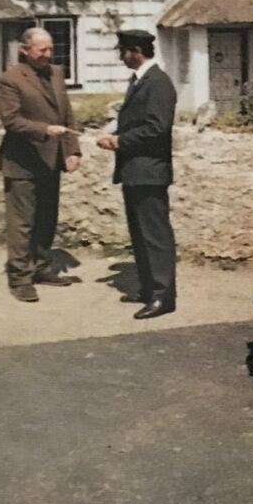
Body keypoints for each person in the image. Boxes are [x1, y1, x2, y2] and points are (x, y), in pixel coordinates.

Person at [0, 26, 82, 302]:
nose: (47, 54)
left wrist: (72, 150)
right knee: (22, 223)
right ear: (25, 50)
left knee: (47, 218)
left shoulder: (56, 73)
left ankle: (42, 268)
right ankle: (20, 278)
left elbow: (66, 113)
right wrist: (43, 129)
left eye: (50, 49)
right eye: (41, 50)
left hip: (50, 161)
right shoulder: (10, 79)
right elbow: (11, 120)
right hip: (22, 162)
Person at [96, 29, 177, 319]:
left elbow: (157, 127)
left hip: (149, 171)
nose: (121, 57)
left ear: (135, 51)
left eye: (123, 51)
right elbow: (137, 121)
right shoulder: (141, 80)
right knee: (140, 234)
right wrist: (114, 133)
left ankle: (162, 296)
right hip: (135, 170)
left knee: (155, 235)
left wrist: (120, 141)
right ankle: (149, 288)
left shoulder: (158, 83)